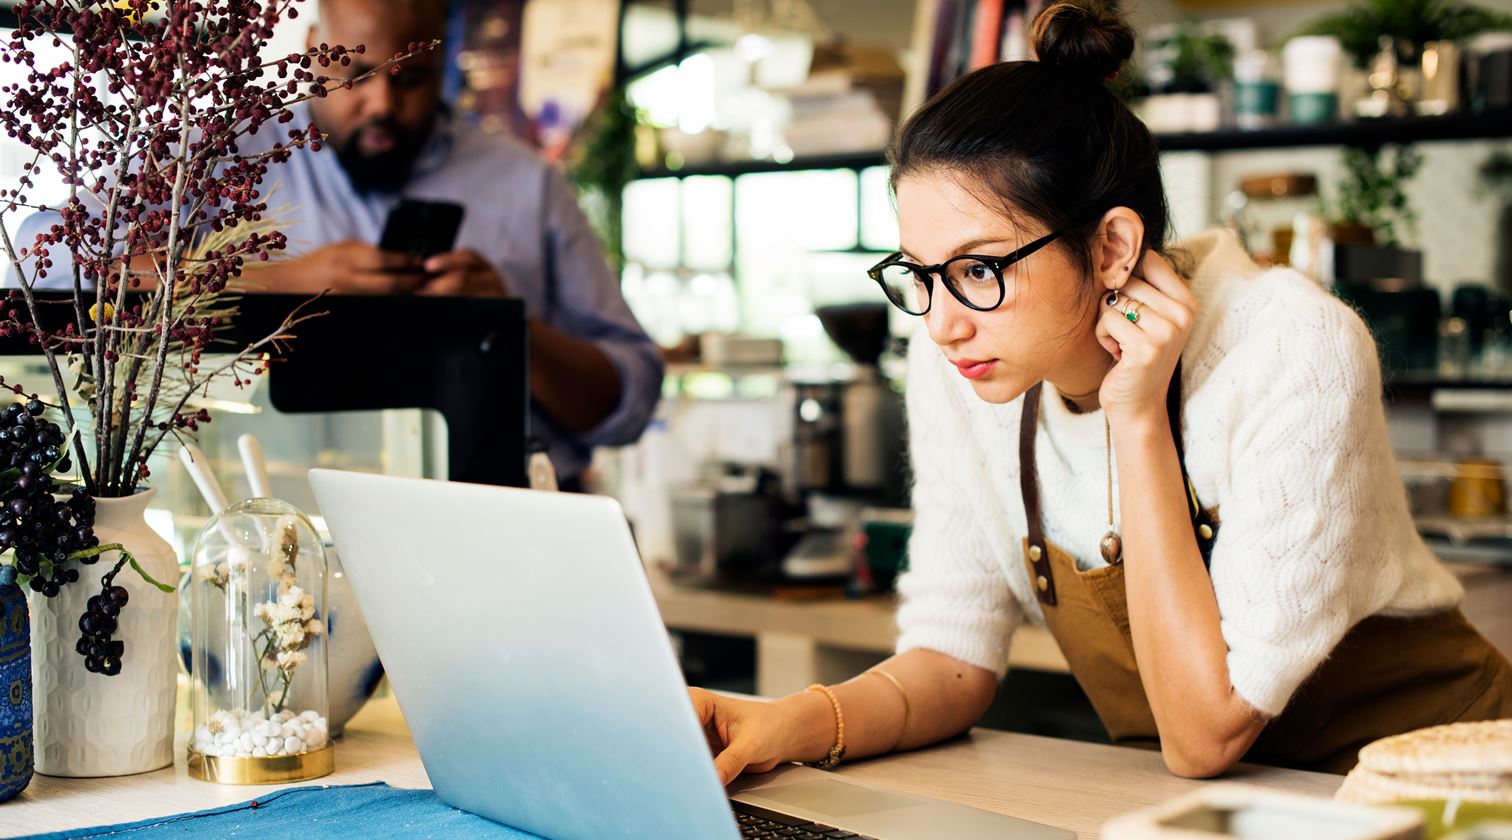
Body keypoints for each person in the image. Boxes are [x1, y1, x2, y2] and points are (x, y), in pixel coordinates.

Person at [691, 1, 1512, 780]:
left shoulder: (1292, 349)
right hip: (1223, 806)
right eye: (920, 275)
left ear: (1114, 246)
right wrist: (784, 723)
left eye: (979, 270)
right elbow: (950, 659)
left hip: (1445, 785)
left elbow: (1203, 731)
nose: (941, 324)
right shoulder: (962, 362)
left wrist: (1137, 417)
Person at [8, 0, 663, 487]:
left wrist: (506, 326)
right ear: (315, 45)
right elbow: (45, 257)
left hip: (512, 519)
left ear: (444, 55)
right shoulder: (222, 157)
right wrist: (272, 279)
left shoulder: (526, 183)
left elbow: (629, 401)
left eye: (411, 75)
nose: (381, 102)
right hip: (283, 538)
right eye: (356, 71)